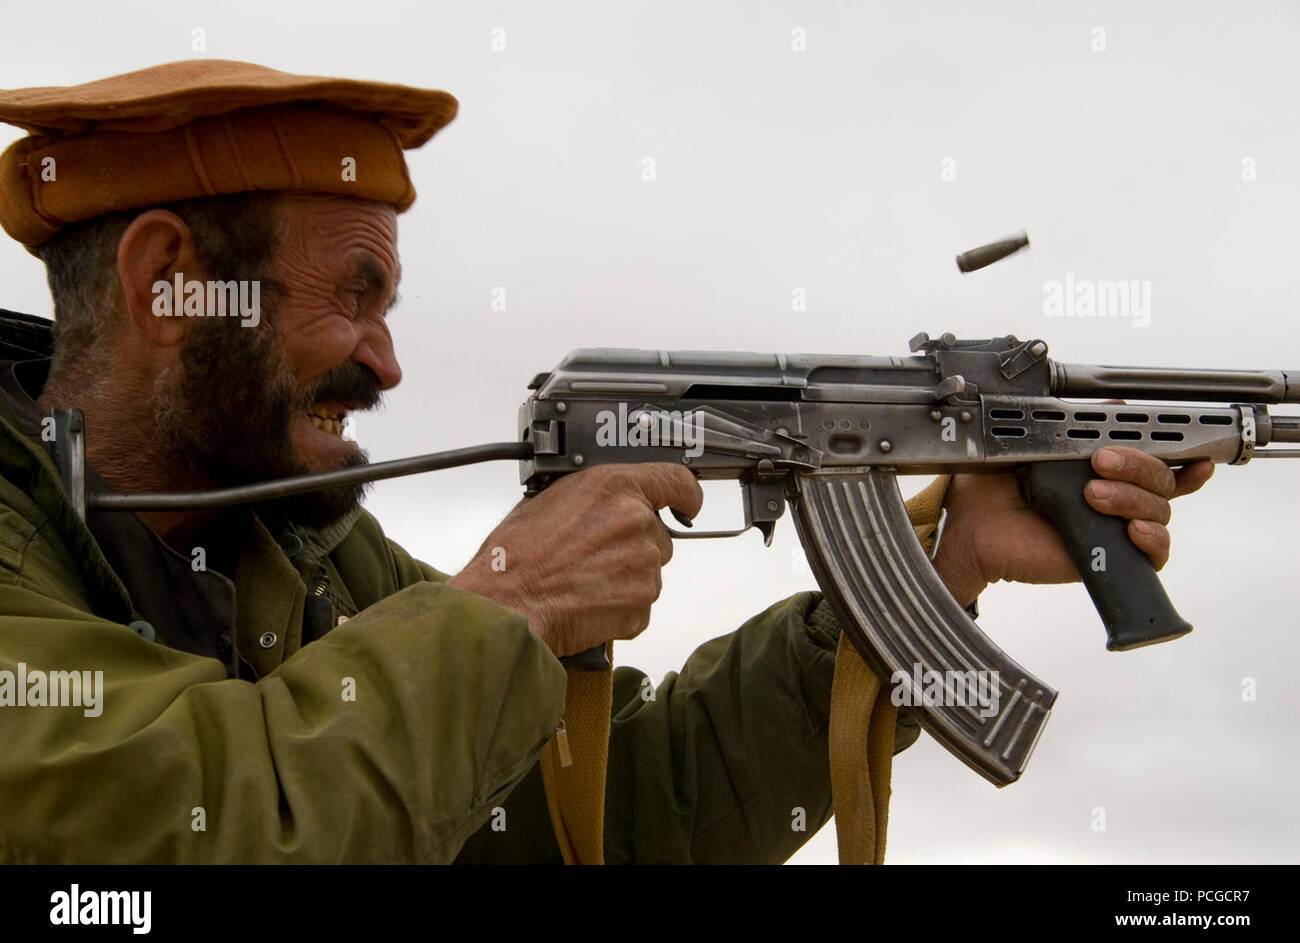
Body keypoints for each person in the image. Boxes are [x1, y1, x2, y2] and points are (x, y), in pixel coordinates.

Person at [0, 60, 1212, 863]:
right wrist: (510, 605)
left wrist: (936, 578)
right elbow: (184, 824)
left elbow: (623, 811)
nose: (384, 361)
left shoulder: (307, 556)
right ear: (170, 284)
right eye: (353, 296)